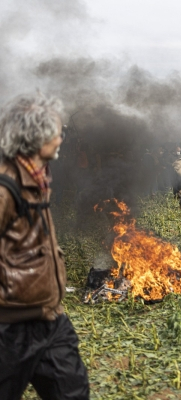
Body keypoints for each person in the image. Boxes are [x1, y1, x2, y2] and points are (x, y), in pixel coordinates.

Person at [0, 93, 89, 398]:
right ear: (36, 136)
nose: (61, 137)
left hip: (50, 318)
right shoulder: (5, 187)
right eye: (57, 131)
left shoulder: (38, 179)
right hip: (9, 328)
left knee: (73, 391)